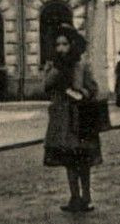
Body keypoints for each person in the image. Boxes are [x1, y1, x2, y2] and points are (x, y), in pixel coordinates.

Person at [42, 24, 101, 213]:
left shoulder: (82, 65)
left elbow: (93, 88)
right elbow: (46, 86)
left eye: (64, 44)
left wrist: (81, 92)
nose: (61, 48)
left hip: (80, 117)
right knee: (69, 159)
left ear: (72, 45)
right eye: (58, 44)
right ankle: (74, 197)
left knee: (83, 159)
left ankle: (87, 198)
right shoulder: (53, 65)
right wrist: (56, 70)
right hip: (62, 119)